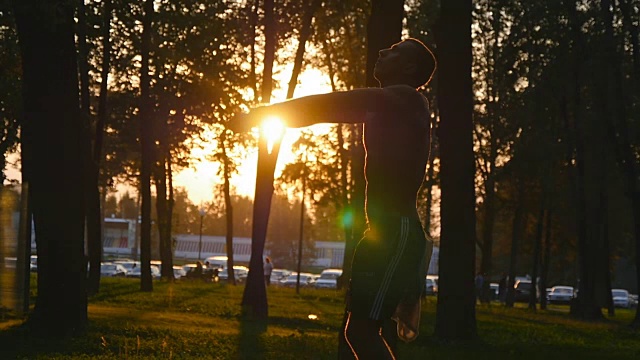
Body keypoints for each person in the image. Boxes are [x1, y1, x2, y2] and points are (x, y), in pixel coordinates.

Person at [228, 37, 436, 360]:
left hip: (398, 234)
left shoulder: (408, 99)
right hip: (381, 235)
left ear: (409, 67)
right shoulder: (387, 105)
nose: (381, 50)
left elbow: (325, 104)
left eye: (393, 50)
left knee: (364, 331)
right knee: (356, 331)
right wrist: (267, 117)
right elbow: (322, 111)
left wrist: (261, 115)